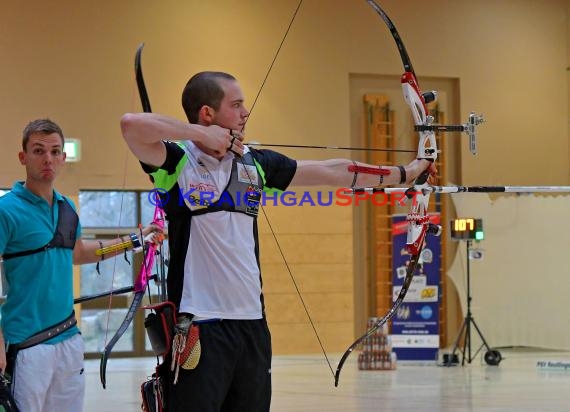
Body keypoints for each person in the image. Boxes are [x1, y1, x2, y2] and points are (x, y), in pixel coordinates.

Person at [120, 71, 435, 412]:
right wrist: (199, 134)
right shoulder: (177, 162)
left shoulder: (254, 164)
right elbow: (131, 124)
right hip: (201, 327)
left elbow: (333, 171)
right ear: (207, 113)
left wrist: (407, 171)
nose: (245, 113)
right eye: (236, 104)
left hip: (252, 326)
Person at [0, 119, 161, 412]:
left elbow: (81, 252)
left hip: (69, 339)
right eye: (38, 150)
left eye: (54, 151)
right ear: (23, 157)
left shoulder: (67, 208)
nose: (47, 158)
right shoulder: (5, 209)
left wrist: (135, 240)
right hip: (25, 344)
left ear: (63, 158)